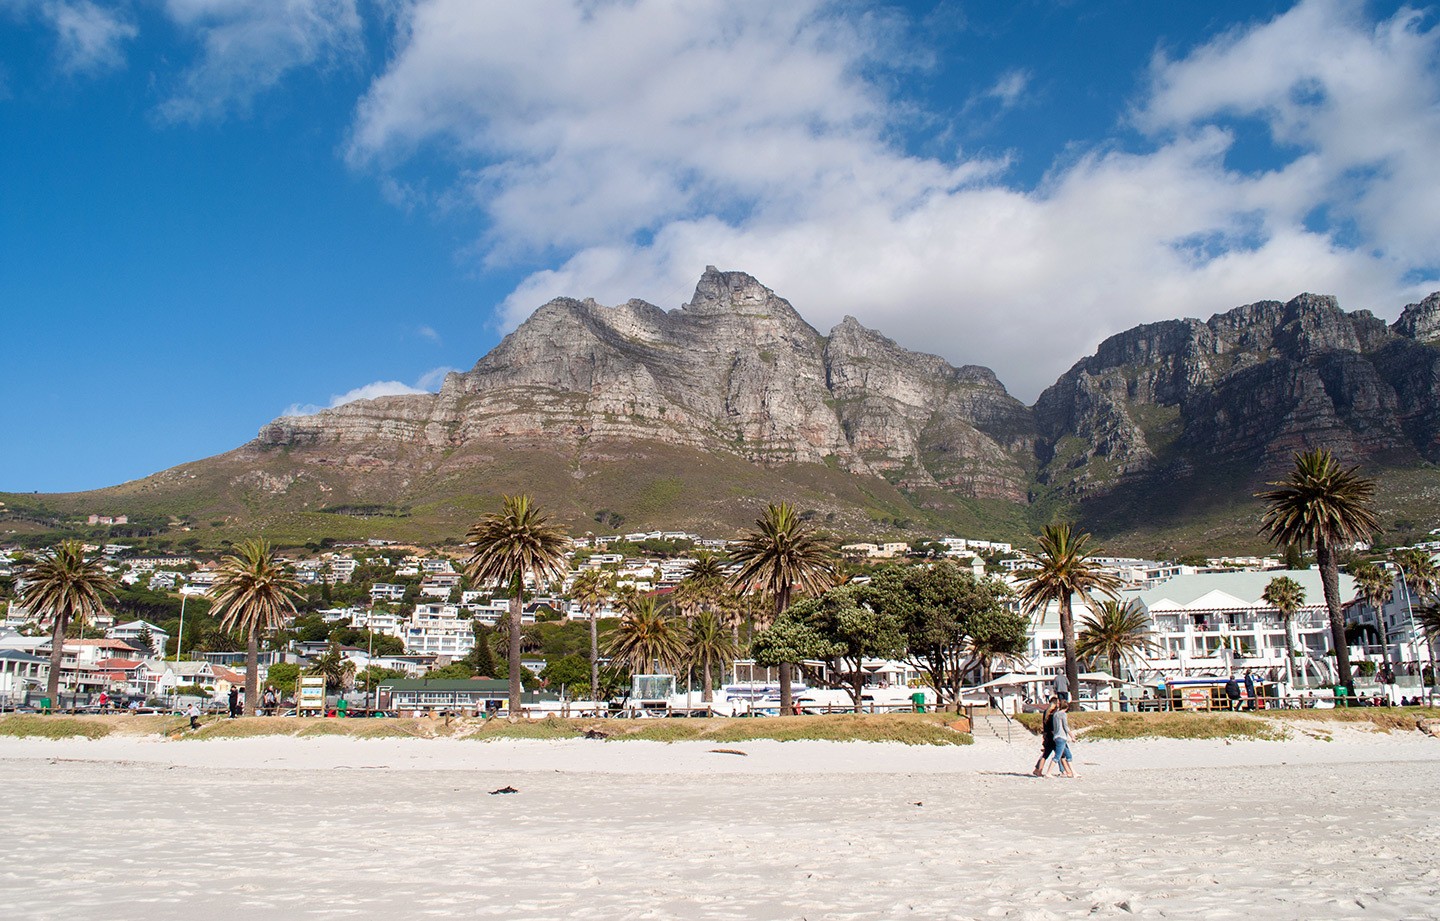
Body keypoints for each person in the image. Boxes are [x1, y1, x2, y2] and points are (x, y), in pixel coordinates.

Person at [1033, 698, 1058, 776]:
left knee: (1046, 754)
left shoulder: (1046, 712)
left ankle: (1038, 769)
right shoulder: (1052, 714)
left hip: (1047, 735)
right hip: (1051, 736)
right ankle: (1066, 771)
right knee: (1059, 754)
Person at [1050, 703, 1076, 778]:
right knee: (1057, 756)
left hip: (1056, 736)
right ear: (1066, 707)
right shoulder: (1063, 714)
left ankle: (1072, 772)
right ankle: (1049, 772)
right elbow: (1066, 727)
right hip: (1062, 737)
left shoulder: (1055, 714)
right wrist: (1072, 736)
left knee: (1068, 755)